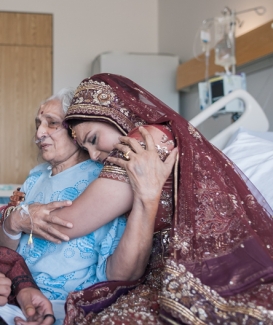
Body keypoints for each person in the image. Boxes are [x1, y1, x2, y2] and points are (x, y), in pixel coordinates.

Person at [4, 73, 273, 324]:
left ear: (114, 113)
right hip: (171, 263)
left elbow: (66, 223)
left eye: (94, 139)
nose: (96, 155)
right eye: (87, 146)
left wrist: (15, 217)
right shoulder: (45, 174)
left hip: (202, 262)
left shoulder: (142, 142)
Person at [0, 88, 127, 324]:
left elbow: (116, 273)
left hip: (66, 304)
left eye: (51, 123)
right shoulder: (35, 176)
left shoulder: (104, 180)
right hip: (17, 293)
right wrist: (14, 221)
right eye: (38, 123)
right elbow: (7, 248)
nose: (39, 133)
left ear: (76, 130)